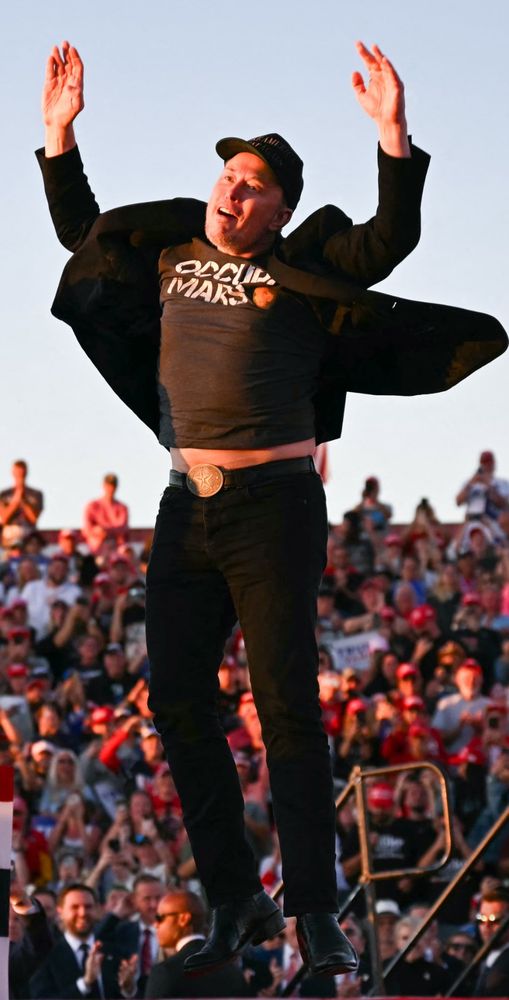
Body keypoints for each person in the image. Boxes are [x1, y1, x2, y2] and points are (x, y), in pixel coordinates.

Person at [37, 37, 506, 979]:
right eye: (226, 174)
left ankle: (314, 911)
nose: (232, 190)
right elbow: (84, 237)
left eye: (253, 183)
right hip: (184, 506)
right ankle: (233, 898)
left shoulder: (300, 263)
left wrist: (391, 137)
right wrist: (59, 137)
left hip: (274, 505)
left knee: (286, 708)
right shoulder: (170, 252)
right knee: (174, 702)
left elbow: (386, 243)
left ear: (280, 207)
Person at [141, 889, 250, 998]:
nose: (156, 925)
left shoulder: (165, 971)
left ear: (183, 919)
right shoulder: (232, 971)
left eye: (160, 918)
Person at [0, 459, 44, 549]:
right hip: (10, 532)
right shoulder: (4, 494)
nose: (19, 475)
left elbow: (34, 518)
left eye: (21, 472)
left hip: (28, 532)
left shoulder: (36, 494)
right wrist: (16, 500)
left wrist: (23, 502)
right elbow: (4, 518)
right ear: (13, 472)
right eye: (17, 472)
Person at [83, 474, 130, 555]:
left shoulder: (122, 508)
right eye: (108, 485)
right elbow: (87, 529)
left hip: (116, 548)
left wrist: (104, 530)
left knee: (128, 553)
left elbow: (122, 529)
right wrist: (98, 532)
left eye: (113, 486)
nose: (111, 489)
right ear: (103, 486)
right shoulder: (92, 505)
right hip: (97, 549)